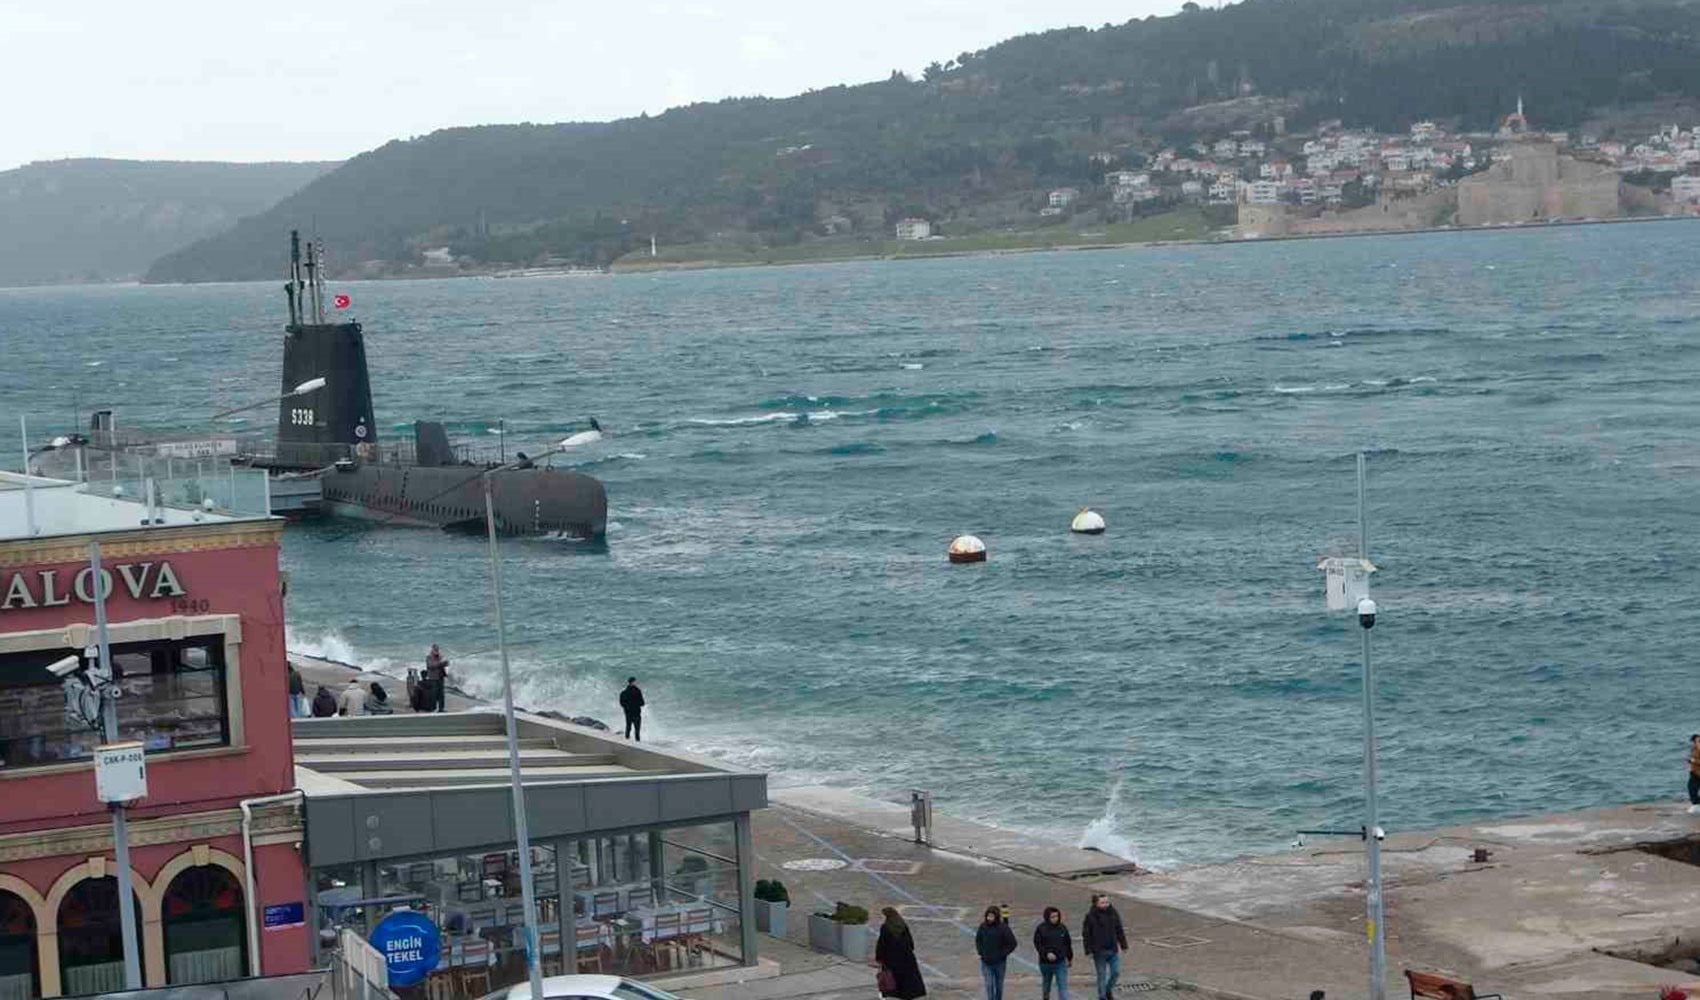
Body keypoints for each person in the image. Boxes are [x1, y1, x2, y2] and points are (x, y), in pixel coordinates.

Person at [1081, 893, 1127, 1000]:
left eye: (1107, 902)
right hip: (1099, 951)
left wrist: (1123, 944)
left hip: (1112, 949)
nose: (1106, 904)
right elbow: (1086, 934)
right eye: (1102, 902)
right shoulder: (1090, 916)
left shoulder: (1113, 913)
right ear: (1096, 903)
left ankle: (1108, 990)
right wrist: (1088, 950)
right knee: (1101, 975)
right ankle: (1102, 997)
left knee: (1116, 972)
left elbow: (1119, 929)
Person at [875, 906, 927, 999]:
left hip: (891, 958)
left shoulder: (885, 927)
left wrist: (879, 957)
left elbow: (882, 943)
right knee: (907, 977)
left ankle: (894, 993)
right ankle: (909, 994)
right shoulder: (903, 925)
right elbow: (910, 942)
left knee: (893, 977)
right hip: (906, 957)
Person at [974, 904, 1017, 1000]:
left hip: (1000, 963)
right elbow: (978, 940)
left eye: (991, 916)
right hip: (986, 962)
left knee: (999, 986)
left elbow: (1013, 943)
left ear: (996, 917)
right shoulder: (983, 927)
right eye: (988, 916)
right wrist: (981, 952)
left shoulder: (1003, 928)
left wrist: (1002, 954)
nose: (989, 918)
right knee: (989, 985)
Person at [1034, 905, 1073, 1000]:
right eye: (1053, 917)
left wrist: (1069, 957)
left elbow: (1067, 943)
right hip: (1045, 963)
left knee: (1062, 986)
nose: (1055, 918)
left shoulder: (1062, 928)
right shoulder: (1041, 929)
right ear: (1047, 917)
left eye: (1057, 916)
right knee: (1047, 984)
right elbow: (1038, 944)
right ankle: (1046, 997)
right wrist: (1046, 953)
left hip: (1060, 962)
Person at [424, 645, 450, 713]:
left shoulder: (440, 657)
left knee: (441, 694)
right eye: (435, 650)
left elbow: (447, 664)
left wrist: (445, 661)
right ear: (432, 650)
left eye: (437, 650)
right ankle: (433, 708)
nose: (436, 651)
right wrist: (440, 663)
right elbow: (431, 666)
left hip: (440, 677)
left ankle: (441, 708)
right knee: (434, 694)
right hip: (433, 678)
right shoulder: (429, 657)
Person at [620, 677, 645, 741]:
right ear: (633, 682)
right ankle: (637, 743)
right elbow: (642, 703)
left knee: (628, 728)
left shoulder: (623, 692)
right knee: (637, 730)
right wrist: (636, 704)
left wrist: (627, 707)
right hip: (636, 713)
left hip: (628, 713)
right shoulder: (638, 691)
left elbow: (622, 703)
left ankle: (626, 741)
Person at [1687, 735, 1700, 814]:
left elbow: (1694, 760)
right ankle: (1695, 805)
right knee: (1691, 789)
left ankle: (1696, 805)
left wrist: (1693, 761)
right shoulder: (1693, 749)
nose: (1695, 743)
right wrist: (1690, 761)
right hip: (1694, 772)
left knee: (1693, 788)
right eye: (1695, 742)